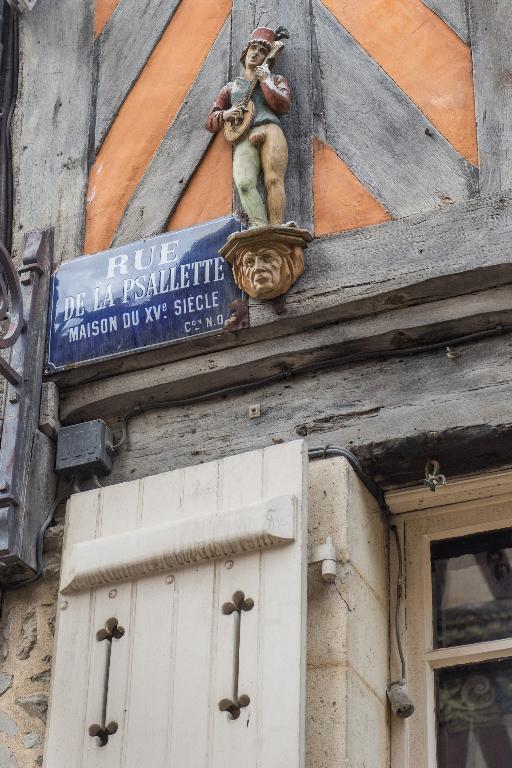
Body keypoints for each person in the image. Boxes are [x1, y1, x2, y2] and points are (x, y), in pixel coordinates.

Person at [205, 27, 291, 228]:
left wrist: (266, 80)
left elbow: (283, 105)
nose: (256, 53)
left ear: (267, 57)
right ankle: (259, 226)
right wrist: (226, 114)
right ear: (245, 53)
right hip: (244, 136)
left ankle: (277, 226)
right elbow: (210, 122)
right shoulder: (230, 88)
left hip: (270, 129)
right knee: (243, 184)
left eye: (262, 52)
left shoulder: (276, 80)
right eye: (253, 48)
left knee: (273, 180)